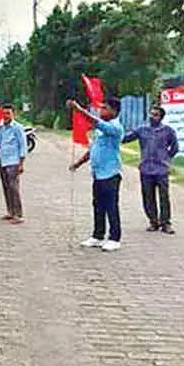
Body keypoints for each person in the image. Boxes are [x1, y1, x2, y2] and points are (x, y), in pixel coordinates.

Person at [67, 96, 124, 252]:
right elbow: (92, 150)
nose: (101, 110)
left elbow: (94, 121)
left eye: (105, 108)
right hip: (98, 174)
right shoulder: (99, 131)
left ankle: (114, 238)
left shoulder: (115, 128)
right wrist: (78, 163)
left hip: (111, 173)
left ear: (114, 111)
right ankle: (98, 235)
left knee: (111, 206)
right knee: (98, 205)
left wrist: (79, 110)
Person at [123, 104, 179, 234]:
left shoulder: (168, 131)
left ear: (161, 117)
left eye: (155, 115)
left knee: (164, 196)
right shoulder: (142, 129)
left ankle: (166, 223)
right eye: (151, 114)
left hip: (161, 169)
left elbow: (175, 147)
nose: (152, 117)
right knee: (148, 196)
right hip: (146, 168)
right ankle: (153, 221)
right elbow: (125, 138)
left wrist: (166, 158)